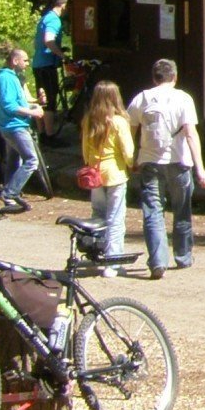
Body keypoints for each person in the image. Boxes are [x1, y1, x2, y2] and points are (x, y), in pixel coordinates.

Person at [128, 58, 205, 278]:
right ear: (174, 77)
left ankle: (157, 261)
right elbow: (191, 135)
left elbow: (130, 131)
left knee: (152, 212)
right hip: (179, 162)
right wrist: (200, 168)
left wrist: (133, 158)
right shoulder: (183, 99)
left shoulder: (142, 98)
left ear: (154, 78)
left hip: (150, 162)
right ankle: (183, 256)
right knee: (182, 210)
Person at [81, 79, 137, 275]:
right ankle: (112, 263)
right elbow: (128, 151)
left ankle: (97, 254)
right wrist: (132, 165)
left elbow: (85, 151)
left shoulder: (89, 120)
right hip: (115, 175)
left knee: (97, 216)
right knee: (115, 219)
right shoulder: (119, 121)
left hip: (95, 175)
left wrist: (91, 164)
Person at [0, 46, 44, 206]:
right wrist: (32, 113)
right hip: (15, 126)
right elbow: (9, 105)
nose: (28, 63)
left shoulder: (12, 77)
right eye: (25, 60)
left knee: (15, 160)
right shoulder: (7, 78)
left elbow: (17, 102)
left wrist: (34, 105)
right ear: (15, 61)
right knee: (31, 160)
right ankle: (9, 193)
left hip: (11, 125)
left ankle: (10, 194)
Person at [33, 0, 69, 118]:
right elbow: (48, 40)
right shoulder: (54, 20)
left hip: (37, 63)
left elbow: (36, 43)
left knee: (42, 99)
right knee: (50, 100)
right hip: (47, 65)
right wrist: (62, 55)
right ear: (64, 6)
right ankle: (50, 134)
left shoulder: (44, 18)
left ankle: (42, 132)